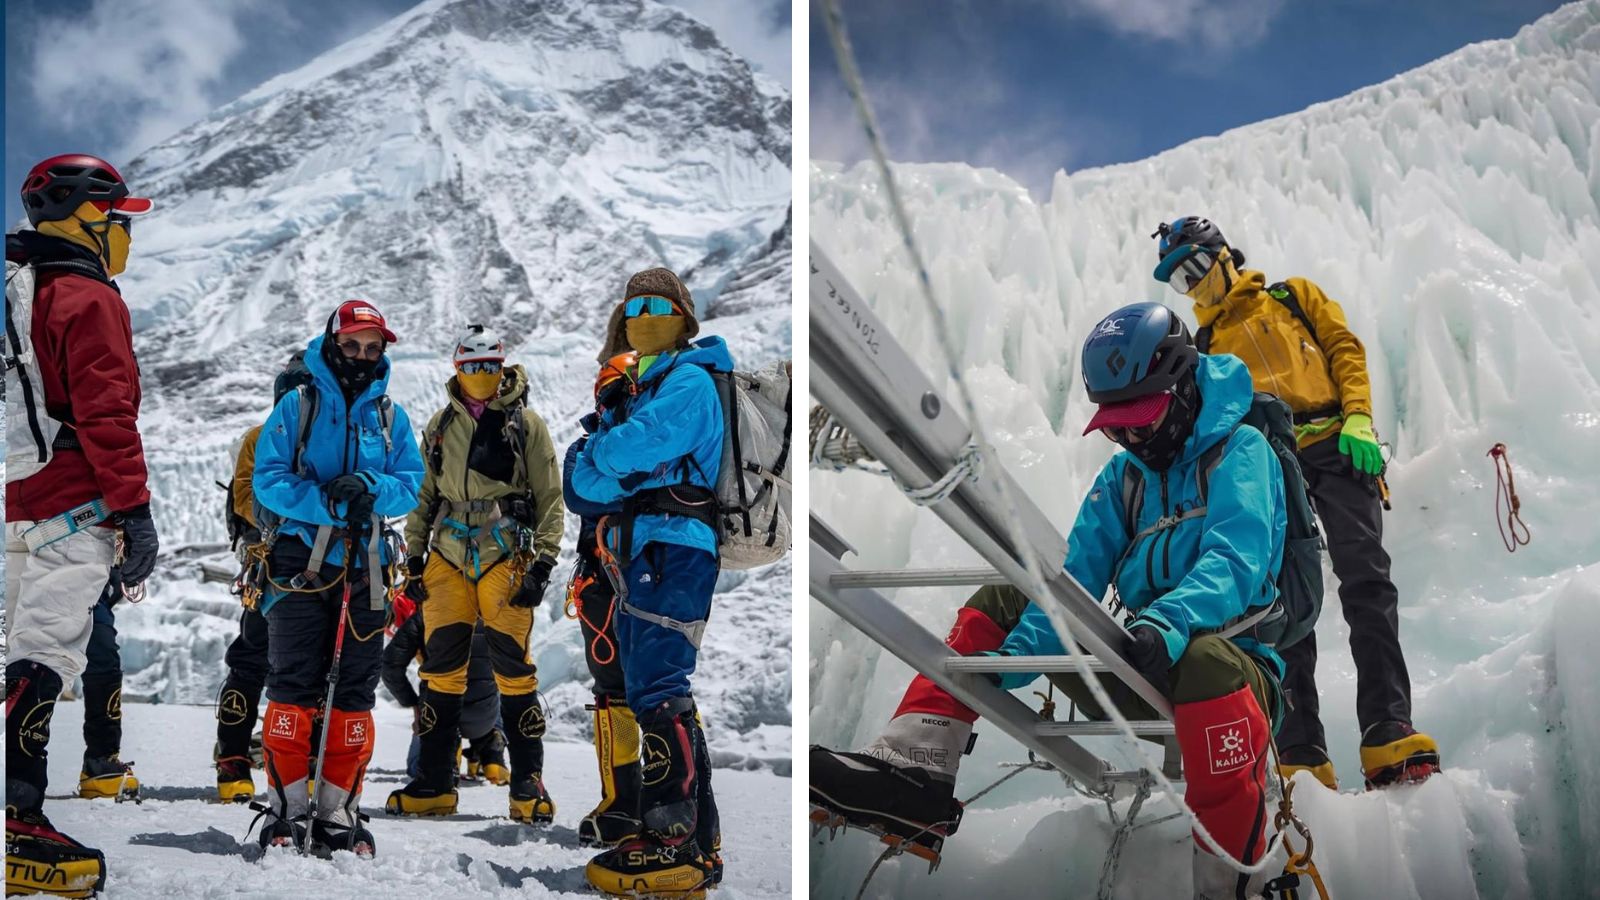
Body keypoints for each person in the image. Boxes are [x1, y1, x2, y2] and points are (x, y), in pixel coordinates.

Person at [811, 302, 1291, 897]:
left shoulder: (1242, 452)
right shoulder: (1125, 480)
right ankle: (916, 770)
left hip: (1233, 669)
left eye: (1142, 419)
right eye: (1117, 427)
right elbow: (1074, 582)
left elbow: (1235, 561)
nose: (1132, 438)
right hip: (1142, 664)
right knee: (1010, 593)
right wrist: (1017, 661)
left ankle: (1231, 883)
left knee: (1203, 661)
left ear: (1185, 385)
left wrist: (1167, 622)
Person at [1152, 216, 1441, 790]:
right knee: (1284, 604)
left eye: (1194, 267)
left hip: (1336, 442)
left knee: (1367, 579)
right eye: (1179, 278)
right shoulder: (1204, 348)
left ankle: (1389, 727)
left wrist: (1358, 414)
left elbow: (1343, 348)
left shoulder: (1292, 297)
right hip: (1270, 465)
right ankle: (1301, 749)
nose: (1190, 283)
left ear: (1222, 255)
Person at [6, 154, 160, 897]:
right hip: (74, 506)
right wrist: (135, 513)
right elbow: (106, 414)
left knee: (10, 651)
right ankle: (19, 820)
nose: (126, 234)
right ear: (88, 215)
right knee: (44, 656)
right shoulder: (86, 297)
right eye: (121, 219)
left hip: (14, 499)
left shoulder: (19, 291)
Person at [569, 268, 729, 896]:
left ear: (684, 317)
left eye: (658, 306)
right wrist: (610, 462)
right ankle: (694, 835)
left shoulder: (687, 382)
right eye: (635, 307)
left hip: (674, 550)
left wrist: (606, 455)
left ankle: (673, 839)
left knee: (659, 688)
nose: (644, 315)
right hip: (646, 550)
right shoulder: (647, 385)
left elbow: (607, 461)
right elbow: (586, 487)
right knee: (652, 688)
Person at [251, 300, 424, 857]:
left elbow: (411, 483)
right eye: (351, 345)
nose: (361, 356)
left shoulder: (390, 416)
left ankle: (336, 812)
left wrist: (369, 487)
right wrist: (327, 501)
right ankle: (286, 809)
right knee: (294, 683)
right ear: (332, 344)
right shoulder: (298, 406)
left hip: (366, 567)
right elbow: (268, 480)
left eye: (372, 348)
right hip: (301, 564)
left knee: (354, 691)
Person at [387, 325, 563, 821]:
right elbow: (425, 497)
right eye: (472, 366)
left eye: (489, 366)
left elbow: (550, 497)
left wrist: (544, 561)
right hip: (446, 557)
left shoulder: (526, 426)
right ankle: (433, 783)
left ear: (502, 367)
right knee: (439, 670)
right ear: (457, 368)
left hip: (505, 554)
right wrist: (415, 558)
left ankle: (527, 785)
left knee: (512, 668)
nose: (481, 375)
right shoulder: (440, 425)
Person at [214, 352, 313, 804]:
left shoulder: (325, 441)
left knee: (297, 665)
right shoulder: (260, 438)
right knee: (253, 657)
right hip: (269, 565)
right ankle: (233, 756)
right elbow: (245, 502)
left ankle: (301, 758)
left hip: (312, 568)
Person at [563, 353, 649, 850]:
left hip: (630, 580)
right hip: (607, 581)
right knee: (620, 689)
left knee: (643, 689)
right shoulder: (585, 449)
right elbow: (581, 495)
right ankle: (623, 801)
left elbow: (593, 494)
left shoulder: (594, 450)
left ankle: (635, 803)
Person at [381, 599, 508, 788]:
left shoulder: (426, 613)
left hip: (439, 715)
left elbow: (390, 667)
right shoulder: (494, 612)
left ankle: (447, 754)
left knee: (416, 767)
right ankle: (492, 753)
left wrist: (414, 703)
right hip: (484, 718)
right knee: (495, 679)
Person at [77, 576, 138, 801]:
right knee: (34, 667)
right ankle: (18, 772)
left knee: (104, 658)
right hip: (43, 576)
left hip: (92, 583)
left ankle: (101, 761)